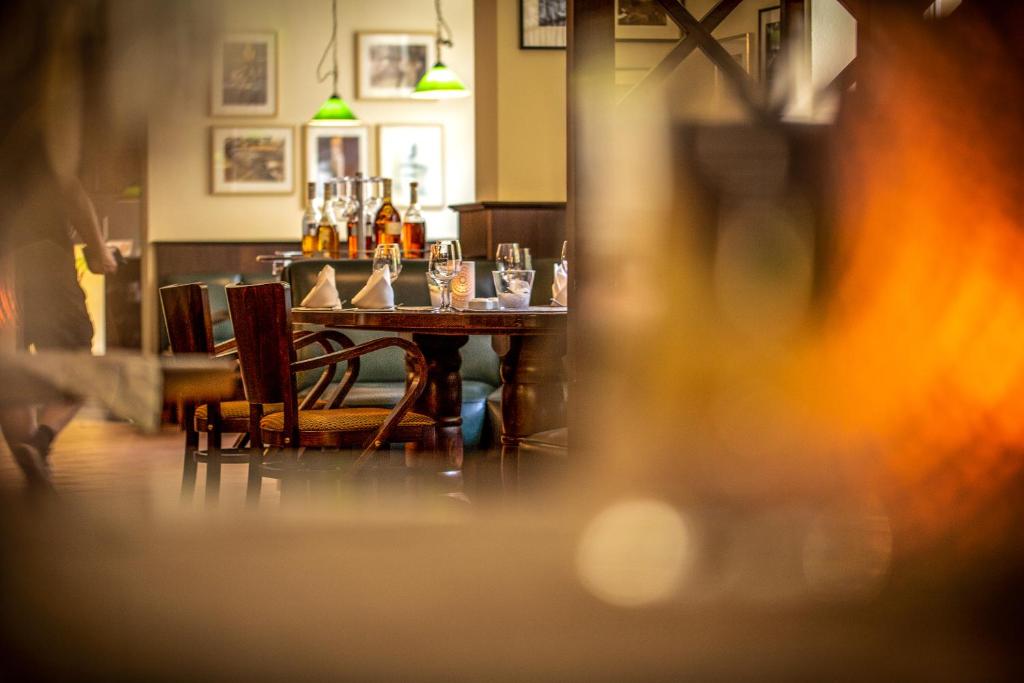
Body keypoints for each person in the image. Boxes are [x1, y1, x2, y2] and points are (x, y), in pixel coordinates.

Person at [0, 0, 118, 488]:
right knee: (78, 363)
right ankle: (41, 443)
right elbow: (68, 189)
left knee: (8, 369)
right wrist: (97, 249)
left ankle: (34, 463)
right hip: (41, 254)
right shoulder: (40, 111)